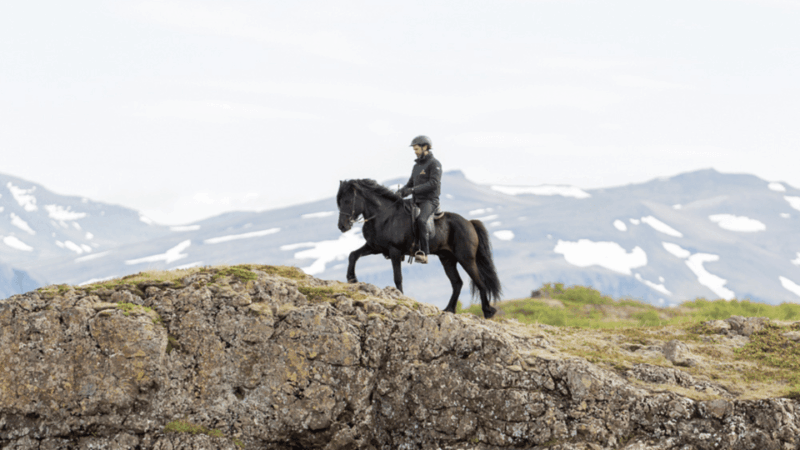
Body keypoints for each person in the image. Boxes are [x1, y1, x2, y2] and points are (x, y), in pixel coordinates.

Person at [396, 135, 442, 264]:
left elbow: (433, 183)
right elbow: (410, 183)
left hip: (430, 201)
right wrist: (401, 193)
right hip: (416, 200)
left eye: (416, 149)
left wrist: (413, 190)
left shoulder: (435, 164)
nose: (415, 152)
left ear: (425, 147)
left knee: (421, 220)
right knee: (399, 213)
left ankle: (424, 253)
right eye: (414, 149)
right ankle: (400, 249)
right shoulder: (416, 166)